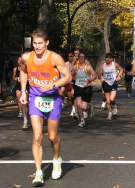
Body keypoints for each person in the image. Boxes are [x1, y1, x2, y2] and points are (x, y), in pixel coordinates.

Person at [19, 29, 72, 186]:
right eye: (35, 43)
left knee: (52, 137)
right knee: (37, 136)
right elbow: (23, 72)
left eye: (40, 43)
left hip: (53, 99)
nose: (37, 46)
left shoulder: (55, 58)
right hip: (35, 98)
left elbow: (68, 76)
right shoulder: (26, 57)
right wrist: (23, 91)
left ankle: (56, 160)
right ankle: (39, 173)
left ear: (46, 43)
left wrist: (52, 85)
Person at [70, 52, 96, 127]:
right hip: (78, 87)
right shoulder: (75, 67)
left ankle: (90, 107)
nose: (81, 58)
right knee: (78, 104)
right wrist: (72, 63)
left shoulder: (88, 67)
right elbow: (70, 73)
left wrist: (88, 81)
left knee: (84, 107)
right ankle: (82, 120)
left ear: (84, 58)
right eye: (80, 57)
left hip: (86, 88)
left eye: (82, 57)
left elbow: (94, 75)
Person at [98, 53, 123, 120]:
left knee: (112, 99)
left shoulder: (115, 65)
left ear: (111, 58)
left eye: (109, 58)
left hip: (113, 83)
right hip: (106, 84)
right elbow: (99, 74)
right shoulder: (103, 66)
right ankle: (109, 113)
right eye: (107, 57)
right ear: (105, 58)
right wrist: (101, 78)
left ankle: (114, 105)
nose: (108, 59)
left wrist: (119, 76)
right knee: (108, 101)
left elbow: (121, 69)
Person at [13, 57, 29, 130]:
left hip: (27, 85)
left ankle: (27, 114)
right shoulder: (15, 69)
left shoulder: (28, 68)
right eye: (18, 60)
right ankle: (23, 116)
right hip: (18, 85)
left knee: (25, 102)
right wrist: (16, 78)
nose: (19, 62)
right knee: (20, 99)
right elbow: (14, 77)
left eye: (21, 60)